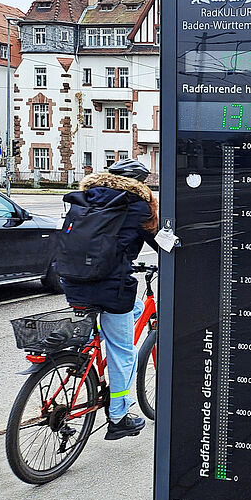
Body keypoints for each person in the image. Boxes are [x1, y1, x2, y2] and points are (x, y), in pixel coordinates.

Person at [60, 159, 159, 440]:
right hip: (111, 288)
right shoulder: (138, 205)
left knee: (135, 310)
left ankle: (91, 346)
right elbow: (160, 242)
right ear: (140, 182)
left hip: (73, 282)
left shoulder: (84, 198)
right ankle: (119, 416)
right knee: (123, 350)